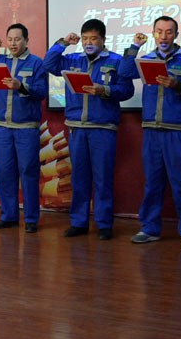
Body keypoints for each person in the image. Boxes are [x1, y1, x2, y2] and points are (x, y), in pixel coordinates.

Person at [120, 17, 181, 248]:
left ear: (176, 35)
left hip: (177, 131)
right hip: (151, 130)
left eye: (169, 32)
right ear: (153, 34)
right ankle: (149, 228)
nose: (163, 36)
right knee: (152, 183)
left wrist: (178, 86)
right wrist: (135, 46)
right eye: (159, 32)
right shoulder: (147, 59)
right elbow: (124, 72)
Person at [43, 19, 134, 240]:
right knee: (79, 178)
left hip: (103, 128)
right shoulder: (73, 59)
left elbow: (126, 90)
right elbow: (48, 64)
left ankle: (104, 224)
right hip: (77, 127)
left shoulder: (116, 61)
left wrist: (104, 90)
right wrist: (63, 43)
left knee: (102, 178)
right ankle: (79, 222)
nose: (88, 43)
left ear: (103, 40)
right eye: (85, 39)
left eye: (93, 38)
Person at [0, 23, 48, 233]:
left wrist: (21, 86)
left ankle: (31, 219)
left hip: (26, 128)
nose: (13, 43)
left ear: (26, 41)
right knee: (4, 173)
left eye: (17, 39)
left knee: (28, 173)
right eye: (10, 39)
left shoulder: (36, 63)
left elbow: (42, 92)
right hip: (2, 128)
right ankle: (8, 216)